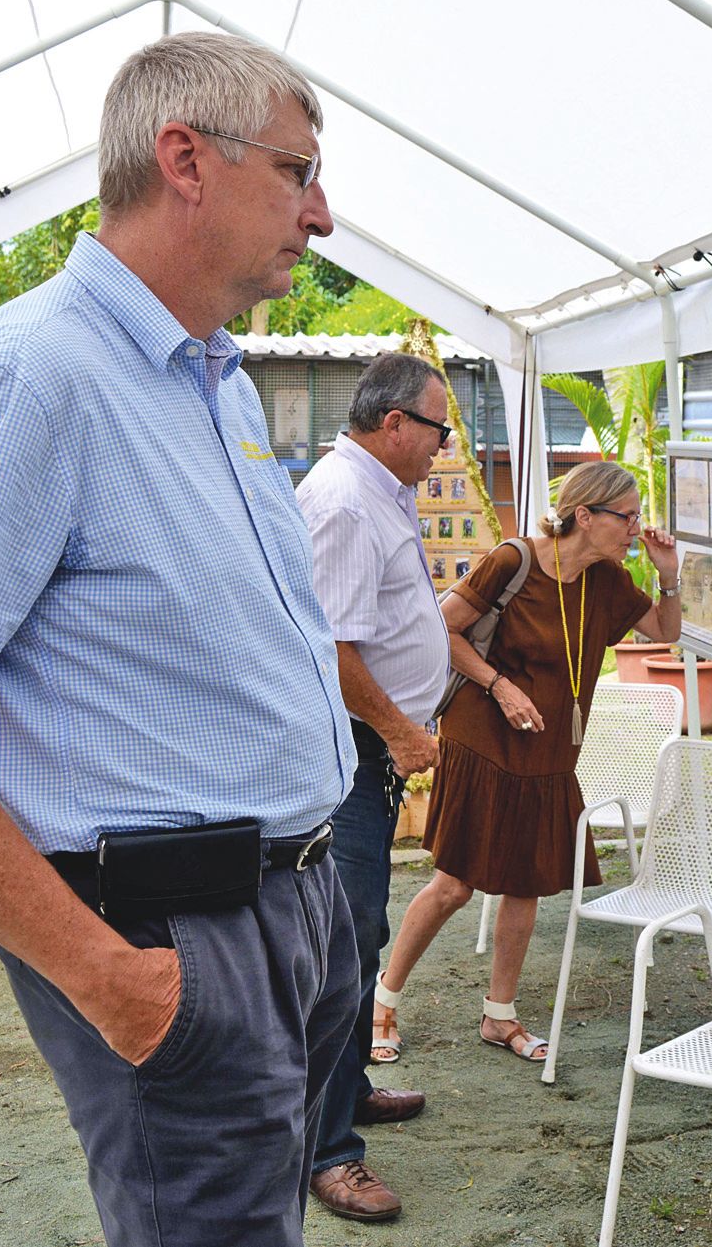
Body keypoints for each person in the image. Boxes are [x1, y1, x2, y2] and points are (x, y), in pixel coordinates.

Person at [0, 33, 358, 1247]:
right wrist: (104, 973)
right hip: (171, 932)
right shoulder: (35, 376)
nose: (319, 214)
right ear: (186, 158)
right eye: (296, 171)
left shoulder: (212, 375)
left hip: (291, 902)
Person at [371, 462, 679, 1067]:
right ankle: (382, 1000)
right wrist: (499, 686)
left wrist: (669, 577)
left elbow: (664, 633)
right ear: (585, 515)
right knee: (455, 882)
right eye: (628, 516)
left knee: (527, 883)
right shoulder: (514, 562)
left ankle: (500, 1015)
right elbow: (444, 629)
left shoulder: (608, 580)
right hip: (484, 737)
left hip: (550, 752)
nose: (635, 528)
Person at [294, 352, 449, 1222]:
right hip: (350, 751)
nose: (443, 446)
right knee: (340, 951)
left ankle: (345, 1094)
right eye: (436, 428)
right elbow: (333, 649)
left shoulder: (374, 490)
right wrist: (396, 727)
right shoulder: (348, 502)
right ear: (393, 422)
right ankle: (325, 1153)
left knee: (359, 933)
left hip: (368, 756)